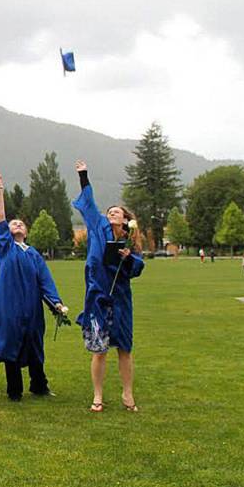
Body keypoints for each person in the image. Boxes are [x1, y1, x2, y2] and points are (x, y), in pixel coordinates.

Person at [0, 171, 65, 402]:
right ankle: (14, 390)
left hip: (32, 308)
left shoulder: (34, 254)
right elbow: (0, 219)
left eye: (21, 224)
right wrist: (0, 190)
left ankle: (39, 385)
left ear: (26, 232)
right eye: (13, 223)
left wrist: (56, 303)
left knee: (35, 344)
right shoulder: (5, 247)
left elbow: (45, 280)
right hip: (9, 307)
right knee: (11, 345)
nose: (16, 225)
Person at [73, 161, 145, 412]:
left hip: (121, 299)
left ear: (126, 220)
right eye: (110, 211)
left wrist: (128, 258)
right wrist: (83, 176)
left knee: (124, 348)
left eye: (117, 212)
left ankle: (128, 394)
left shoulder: (131, 243)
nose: (112, 213)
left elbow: (137, 268)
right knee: (99, 349)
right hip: (98, 296)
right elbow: (89, 202)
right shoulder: (97, 227)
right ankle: (97, 396)